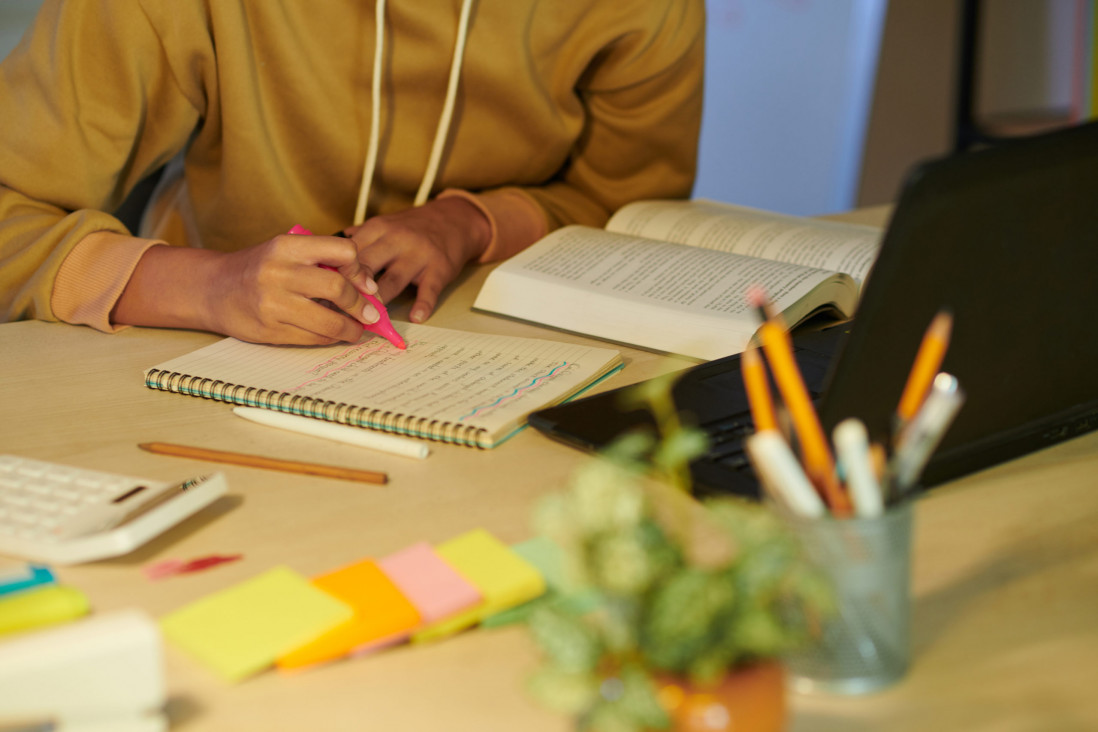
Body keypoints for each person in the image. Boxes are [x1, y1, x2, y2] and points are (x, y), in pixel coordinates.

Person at [0, 0, 704, 346]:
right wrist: (210, 288)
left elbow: (635, 212)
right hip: (188, 363)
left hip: (504, 380)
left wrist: (472, 223)